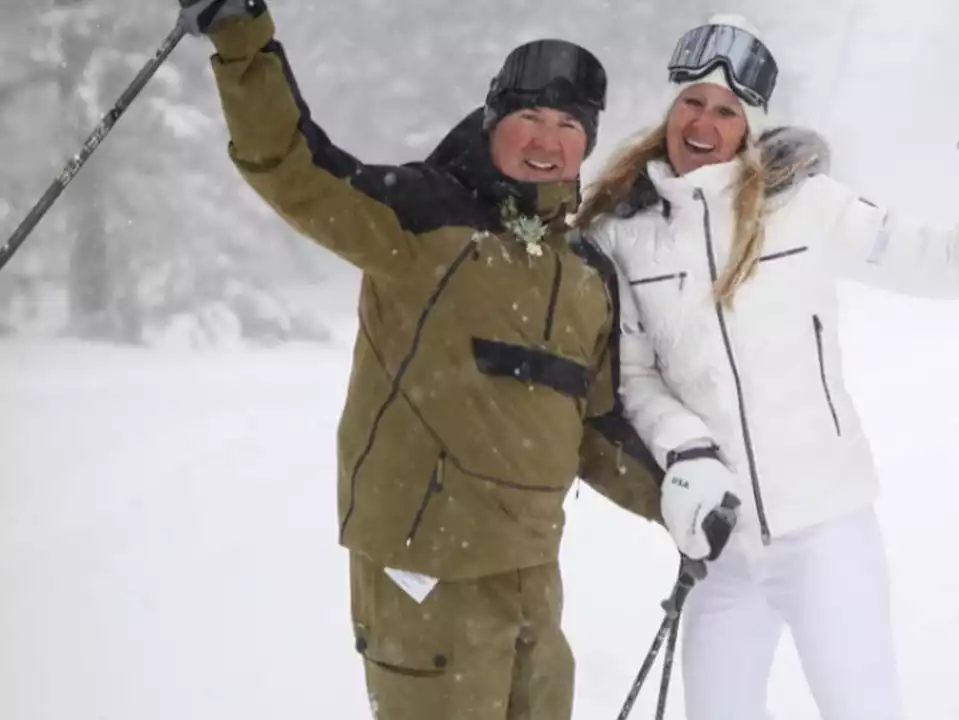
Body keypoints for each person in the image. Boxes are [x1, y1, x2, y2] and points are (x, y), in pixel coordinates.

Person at [576, 13, 959, 720]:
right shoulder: (626, 234)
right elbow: (637, 380)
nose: (704, 123)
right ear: (670, 108)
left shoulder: (807, 208)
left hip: (826, 534)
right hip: (721, 543)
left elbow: (951, 261)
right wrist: (685, 451)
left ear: (749, 125)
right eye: (692, 102)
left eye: (726, 111)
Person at [178, 2, 670, 718]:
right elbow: (293, 164)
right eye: (530, 117)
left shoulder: (586, 271)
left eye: (570, 126)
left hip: (532, 576)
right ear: (492, 120)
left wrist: (674, 504)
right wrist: (241, 36)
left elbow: (592, 429)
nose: (547, 140)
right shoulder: (420, 217)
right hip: (426, 577)